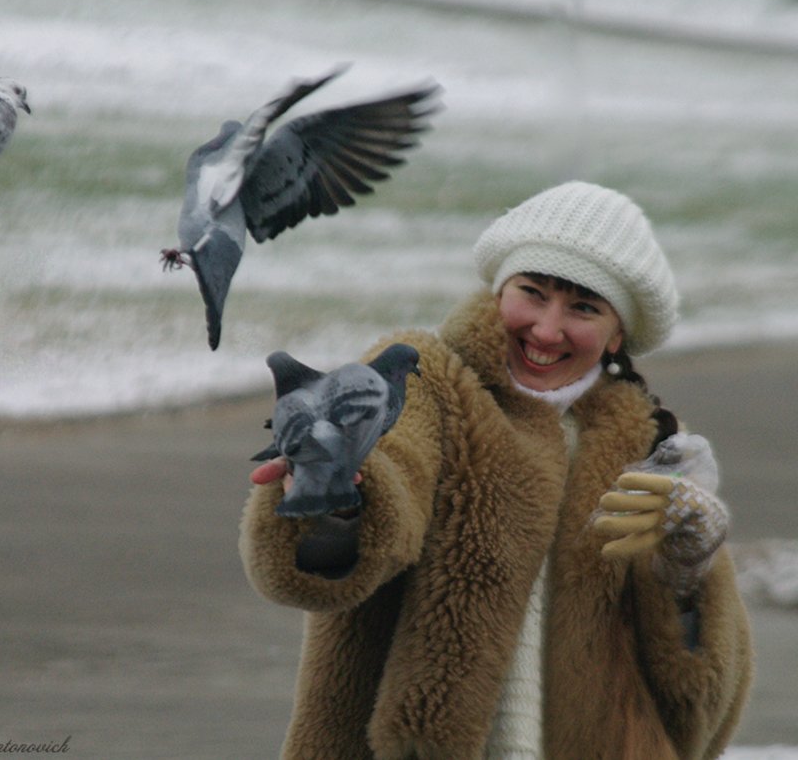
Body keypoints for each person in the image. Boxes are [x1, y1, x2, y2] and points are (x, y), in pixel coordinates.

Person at [239, 181, 752, 760]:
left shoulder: (651, 442)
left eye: (583, 307)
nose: (547, 329)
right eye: (532, 292)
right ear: (499, 287)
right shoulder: (423, 380)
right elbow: (389, 488)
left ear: (618, 335)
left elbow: (698, 705)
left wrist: (690, 568)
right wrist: (337, 499)